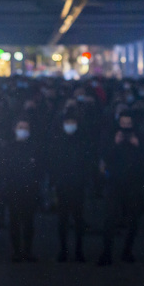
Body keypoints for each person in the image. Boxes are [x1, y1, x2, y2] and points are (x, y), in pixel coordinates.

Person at [97, 112, 144, 266]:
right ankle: (107, 252)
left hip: (133, 184)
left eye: (128, 124)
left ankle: (127, 251)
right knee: (110, 218)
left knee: (132, 220)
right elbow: (104, 157)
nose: (125, 127)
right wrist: (115, 144)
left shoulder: (139, 137)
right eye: (122, 123)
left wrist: (138, 145)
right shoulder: (112, 136)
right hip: (114, 184)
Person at [48, 111, 88, 263]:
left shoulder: (82, 141)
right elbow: (53, 162)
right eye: (68, 122)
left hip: (77, 185)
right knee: (62, 219)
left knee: (78, 219)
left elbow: (86, 162)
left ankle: (78, 250)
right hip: (62, 186)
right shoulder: (57, 141)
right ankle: (63, 250)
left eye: (73, 122)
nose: (70, 125)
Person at [2, 119, 41, 263]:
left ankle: (27, 250)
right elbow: (5, 169)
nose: (23, 129)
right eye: (20, 127)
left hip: (30, 190)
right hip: (14, 190)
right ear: (14, 129)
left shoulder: (34, 148)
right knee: (14, 221)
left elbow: (38, 170)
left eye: (26, 127)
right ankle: (17, 251)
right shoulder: (9, 148)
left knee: (29, 222)